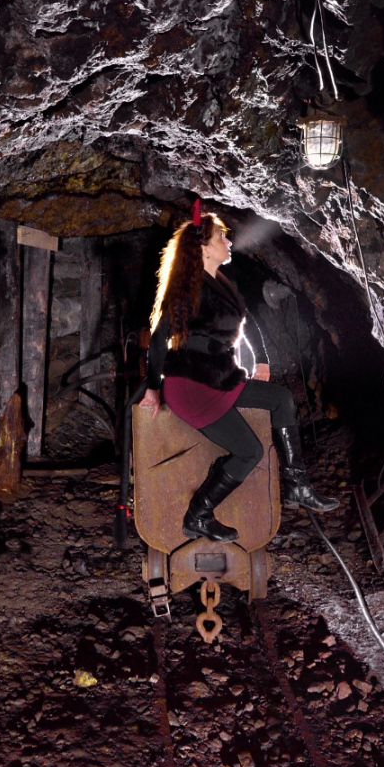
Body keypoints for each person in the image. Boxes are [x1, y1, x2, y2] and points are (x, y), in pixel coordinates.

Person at [140, 210, 337, 541]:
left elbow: (247, 321)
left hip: (220, 377)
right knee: (250, 452)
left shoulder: (220, 282)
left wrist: (260, 359)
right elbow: (159, 339)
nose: (229, 242)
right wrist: (153, 388)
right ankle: (198, 515)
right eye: (221, 237)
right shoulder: (186, 287)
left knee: (281, 398)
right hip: (192, 386)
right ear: (203, 248)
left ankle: (297, 486)